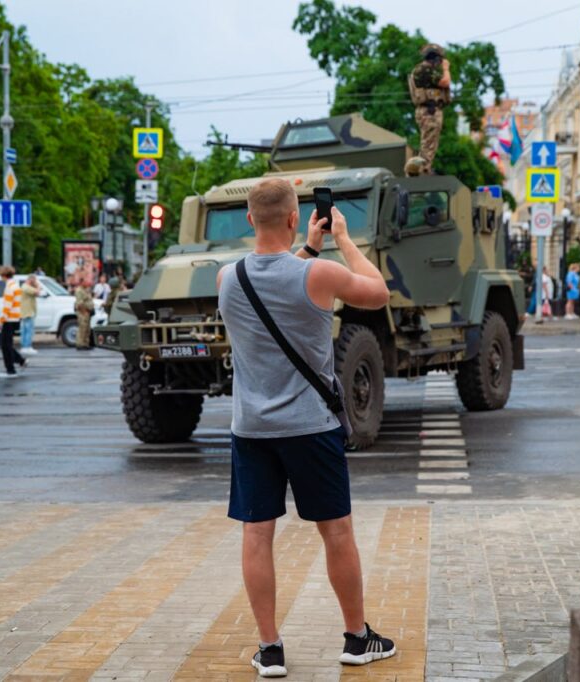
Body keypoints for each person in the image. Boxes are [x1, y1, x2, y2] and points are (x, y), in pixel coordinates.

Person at [215, 178, 394, 677]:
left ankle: (270, 649)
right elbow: (378, 293)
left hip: (251, 430)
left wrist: (308, 245)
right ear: (295, 218)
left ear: (250, 219)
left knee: (257, 535)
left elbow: (272, 273)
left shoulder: (227, 278)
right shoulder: (320, 274)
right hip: (310, 428)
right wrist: (342, 240)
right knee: (336, 531)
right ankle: (357, 639)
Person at [406, 43, 451, 176]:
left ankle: (423, 168)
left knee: (429, 143)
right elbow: (445, 82)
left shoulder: (422, 70)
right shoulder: (424, 70)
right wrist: (446, 69)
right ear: (435, 58)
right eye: (440, 59)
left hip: (427, 111)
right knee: (429, 144)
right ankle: (422, 170)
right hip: (429, 111)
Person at [0, 265, 27, 377]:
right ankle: (20, 361)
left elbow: (7, 307)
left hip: (9, 319)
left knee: (5, 345)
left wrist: (0, 320)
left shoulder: (9, 288)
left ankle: (11, 369)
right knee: (7, 344)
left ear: (4, 275)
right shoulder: (16, 286)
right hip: (15, 318)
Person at [19, 274, 42, 354]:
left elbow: (37, 294)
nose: (35, 282)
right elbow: (38, 291)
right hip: (28, 312)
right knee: (28, 330)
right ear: (30, 280)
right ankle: (27, 347)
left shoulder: (27, 287)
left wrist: (36, 286)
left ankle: (25, 347)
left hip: (28, 311)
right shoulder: (26, 287)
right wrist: (38, 285)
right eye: (34, 280)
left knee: (25, 330)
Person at [74, 282, 94, 350]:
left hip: (87, 312)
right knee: (82, 328)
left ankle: (85, 344)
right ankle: (80, 344)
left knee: (87, 329)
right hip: (83, 312)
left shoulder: (86, 290)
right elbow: (79, 303)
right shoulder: (79, 290)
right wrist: (84, 311)